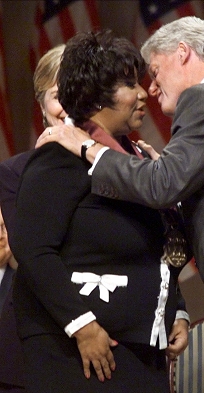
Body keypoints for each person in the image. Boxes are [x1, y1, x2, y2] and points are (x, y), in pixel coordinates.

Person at [37, 16, 204, 393]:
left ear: (183, 53)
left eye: (155, 72)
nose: (152, 88)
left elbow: (162, 185)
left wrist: (86, 147)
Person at [10, 30, 189, 393]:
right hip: (81, 355)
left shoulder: (136, 160)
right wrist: (81, 325)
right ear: (94, 96)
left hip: (143, 351)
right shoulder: (59, 157)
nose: (143, 94)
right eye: (128, 84)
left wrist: (176, 310)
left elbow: (157, 249)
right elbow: (32, 248)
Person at [0, 44, 66, 393]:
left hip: (112, 341)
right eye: (58, 95)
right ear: (42, 105)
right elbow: (28, 251)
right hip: (32, 341)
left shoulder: (120, 165)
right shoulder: (14, 173)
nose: (67, 105)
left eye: (77, 92)